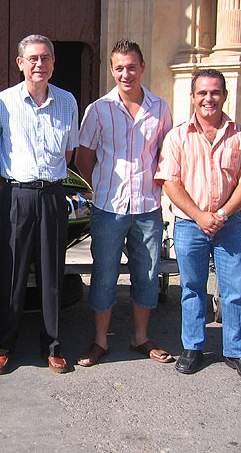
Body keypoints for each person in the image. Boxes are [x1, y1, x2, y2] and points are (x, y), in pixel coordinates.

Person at [75, 40, 174, 367]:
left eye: (132, 66)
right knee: (104, 275)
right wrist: (100, 186)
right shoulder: (99, 109)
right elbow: (84, 157)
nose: (126, 73)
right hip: (108, 208)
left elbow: (165, 156)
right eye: (119, 68)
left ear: (142, 67)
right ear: (112, 70)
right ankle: (100, 341)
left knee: (146, 274)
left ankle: (140, 337)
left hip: (147, 207)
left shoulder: (160, 108)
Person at [156, 69, 241, 381]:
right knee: (191, 288)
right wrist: (199, 215)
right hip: (189, 224)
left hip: (229, 224)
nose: (208, 98)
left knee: (235, 289)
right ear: (193, 97)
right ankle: (193, 346)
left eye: (214, 92)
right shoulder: (177, 137)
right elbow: (170, 182)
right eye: (202, 93)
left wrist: (223, 214)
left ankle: (238, 350)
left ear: (224, 95)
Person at [0, 34, 79, 375]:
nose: (39, 64)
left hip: (54, 194)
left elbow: (68, 153)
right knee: (11, 271)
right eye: (32, 58)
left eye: (45, 58)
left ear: (53, 63)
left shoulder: (68, 101)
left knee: (51, 272)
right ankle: (4, 345)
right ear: (20, 63)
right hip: (16, 196)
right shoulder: (2, 103)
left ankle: (52, 346)